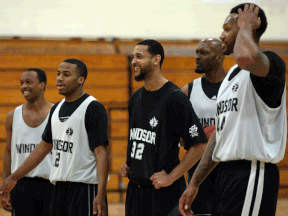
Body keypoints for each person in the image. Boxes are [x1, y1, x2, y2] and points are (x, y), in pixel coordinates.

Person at [179, 3, 286, 216]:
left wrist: (246, 26)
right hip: (226, 175)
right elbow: (220, 135)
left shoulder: (271, 64)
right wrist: (195, 182)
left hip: (253, 172)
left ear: (249, 28)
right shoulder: (229, 77)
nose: (221, 35)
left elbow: (246, 57)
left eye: (228, 29)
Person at [0, 59, 109, 216]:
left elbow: (102, 152)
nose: (59, 78)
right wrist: (12, 178)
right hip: (59, 189)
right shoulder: (56, 109)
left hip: (84, 187)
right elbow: (42, 148)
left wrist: (100, 194)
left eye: (66, 74)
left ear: (80, 80)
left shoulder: (93, 108)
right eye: (58, 74)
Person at [120, 39, 207, 216]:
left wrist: (171, 176)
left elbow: (199, 145)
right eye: (132, 57)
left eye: (139, 57)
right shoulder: (135, 99)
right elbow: (141, 138)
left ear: (156, 59)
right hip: (135, 192)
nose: (133, 61)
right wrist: (131, 164)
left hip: (163, 195)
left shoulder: (174, 98)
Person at [181, 38, 226, 214]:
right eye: (197, 53)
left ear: (219, 57)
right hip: (199, 170)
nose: (198, 57)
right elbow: (175, 131)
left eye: (204, 53)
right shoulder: (189, 90)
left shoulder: (236, 86)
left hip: (229, 168)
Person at [2, 68, 54, 215]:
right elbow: (8, 152)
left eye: (29, 82)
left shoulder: (57, 114)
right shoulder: (13, 116)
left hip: (52, 185)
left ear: (42, 85)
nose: (24, 86)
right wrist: (6, 185)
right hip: (21, 184)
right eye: (22, 83)